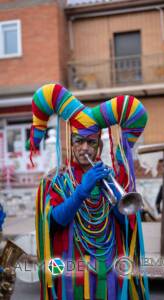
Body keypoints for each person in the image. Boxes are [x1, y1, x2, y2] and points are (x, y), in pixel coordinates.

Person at [27, 83, 150, 300]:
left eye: (91, 142)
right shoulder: (57, 180)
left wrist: (112, 194)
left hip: (109, 265)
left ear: (99, 147)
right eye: (79, 141)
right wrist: (81, 191)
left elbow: (127, 226)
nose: (85, 148)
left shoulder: (110, 179)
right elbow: (54, 222)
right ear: (71, 145)